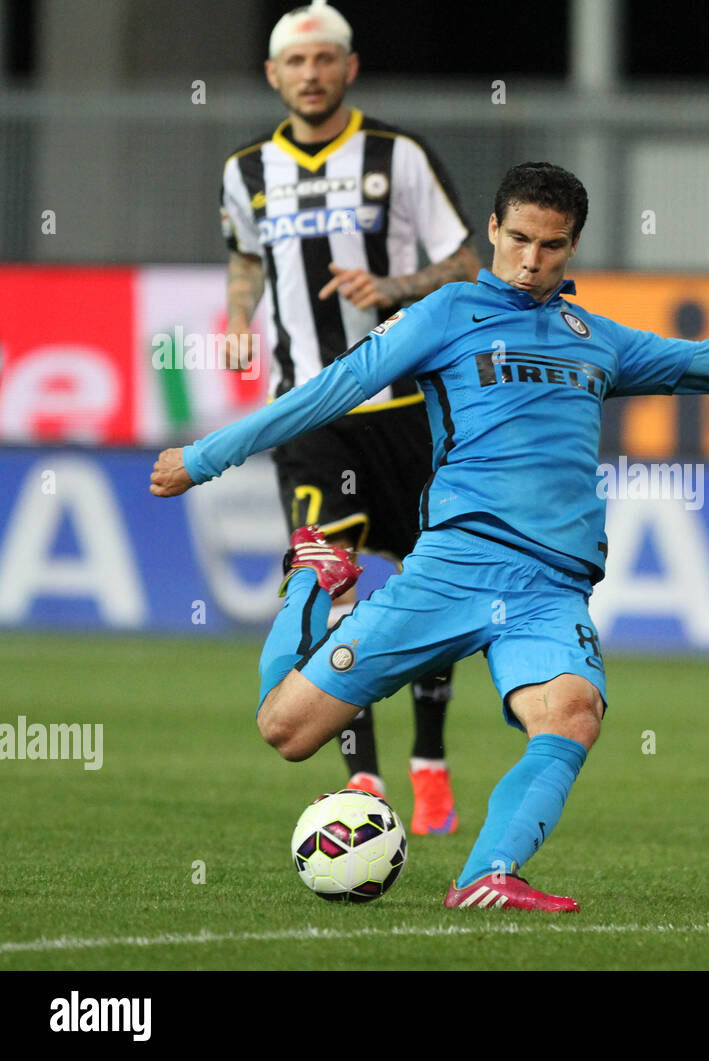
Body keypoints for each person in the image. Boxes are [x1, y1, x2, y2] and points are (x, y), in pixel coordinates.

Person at [152, 161, 709, 912]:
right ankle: (312, 580)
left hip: (550, 586)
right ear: (492, 228)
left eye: (550, 246)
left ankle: (487, 872)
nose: (529, 259)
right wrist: (204, 457)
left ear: (571, 246)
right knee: (286, 730)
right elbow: (330, 390)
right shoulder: (446, 313)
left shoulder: (596, 337)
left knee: (573, 713)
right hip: (454, 565)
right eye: (517, 238)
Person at [220, 2, 480, 833]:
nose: (310, 73)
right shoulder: (246, 169)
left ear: (348, 67)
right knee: (329, 577)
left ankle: (429, 754)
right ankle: (362, 777)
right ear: (274, 75)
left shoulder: (396, 156)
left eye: (324, 59)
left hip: (407, 406)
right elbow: (245, 257)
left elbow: (467, 260)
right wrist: (235, 321)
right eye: (295, 63)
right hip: (308, 412)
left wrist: (393, 289)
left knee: (429, 580)